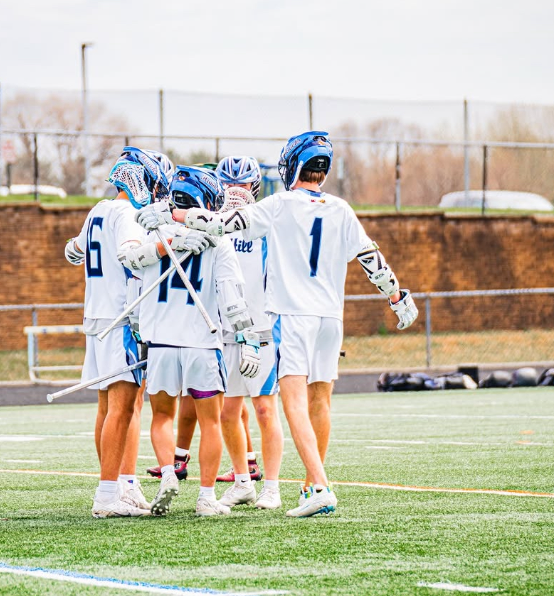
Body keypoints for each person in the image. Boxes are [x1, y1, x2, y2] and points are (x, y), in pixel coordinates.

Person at [137, 132, 419, 517]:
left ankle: (320, 486)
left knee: (294, 404)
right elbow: (372, 259)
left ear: (293, 165)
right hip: (330, 317)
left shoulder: (280, 204)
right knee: (321, 402)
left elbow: (218, 225)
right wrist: (397, 296)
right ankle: (309, 485)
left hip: (292, 316)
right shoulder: (341, 208)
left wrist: (174, 214)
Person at [125, 165, 260, 517]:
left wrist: (136, 327)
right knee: (211, 422)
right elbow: (232, 297)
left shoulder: (154, 233)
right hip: (202, 343)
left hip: (161, 344)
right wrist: (247, 338)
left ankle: (169, 473)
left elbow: (132, 275)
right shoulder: (218, 242)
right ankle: (206, 497)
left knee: (161, 417)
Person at [66, 146, 181, 518]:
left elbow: (72, 252)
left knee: (112, 406)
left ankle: (123, 484)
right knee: (122, 406)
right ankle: (107, 494)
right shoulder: (129, 215)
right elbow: (132, 256)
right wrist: (169, 245)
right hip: (121, 317)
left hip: (97, 315)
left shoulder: (98, 210)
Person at [212, 157, 284, 511]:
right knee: (228, 412)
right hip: (226, 331)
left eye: (241, 186)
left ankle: (272, 487)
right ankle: (243, 482)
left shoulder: (265, 224)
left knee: (265, 409)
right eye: (229, 186)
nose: (235, 193)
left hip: (261, 329)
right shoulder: (214, 225)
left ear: (253, 187)